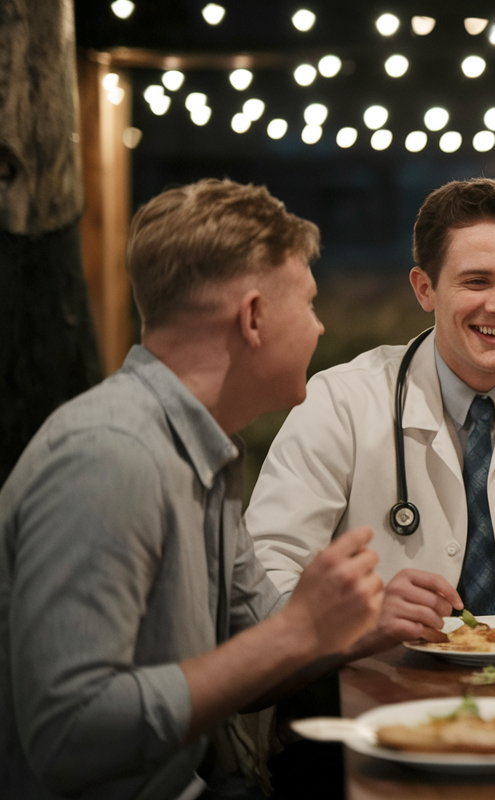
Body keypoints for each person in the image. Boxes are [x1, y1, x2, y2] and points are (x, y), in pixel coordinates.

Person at [0, 179, 384, 800]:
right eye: (309, 303)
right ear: (254, 317)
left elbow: (252, 648)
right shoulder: (110, 455)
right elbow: (68, 734)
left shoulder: (204, 449)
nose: (319, 328)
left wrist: (362, 624)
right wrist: (297, 631)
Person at [248, 178, 495, 646]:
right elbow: (265, 568)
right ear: (425, 290)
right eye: (476, 281)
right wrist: (357, 618)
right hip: (380, 683)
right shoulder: (341, 400)